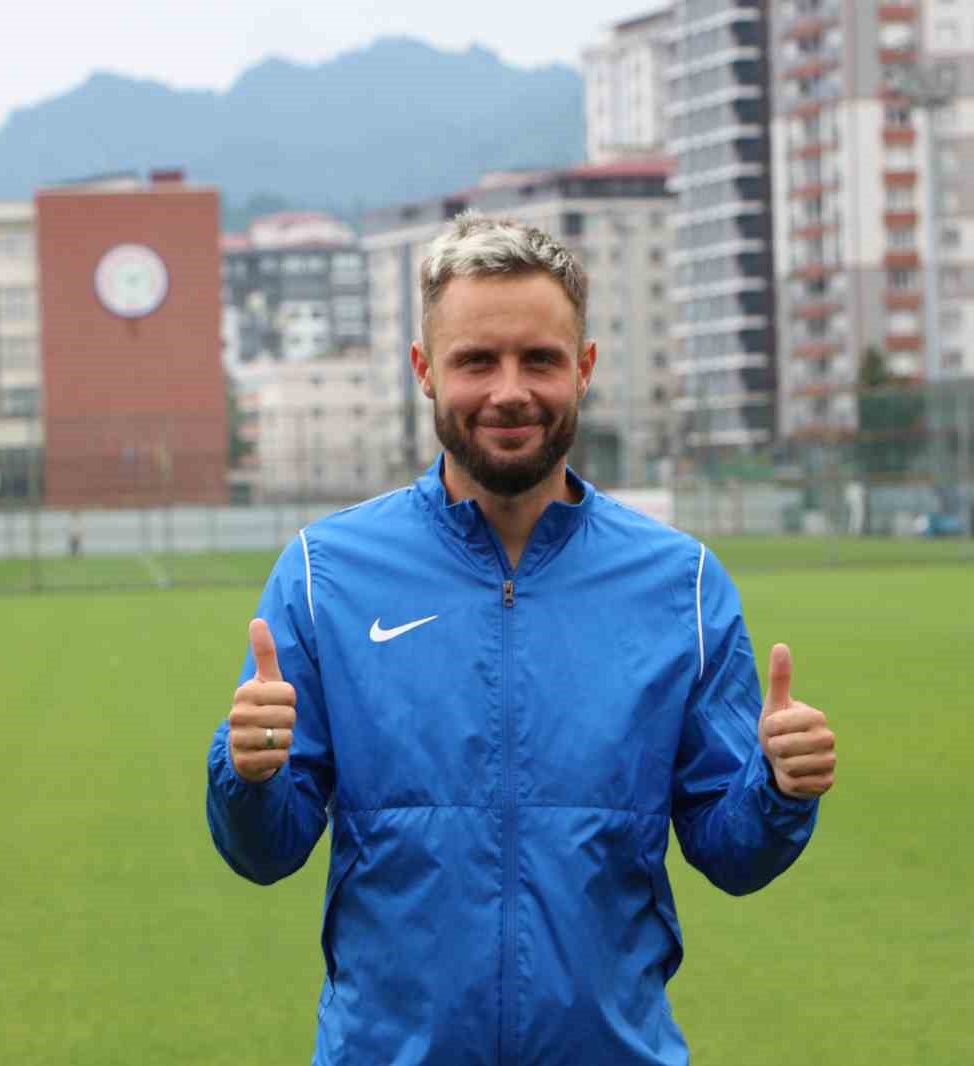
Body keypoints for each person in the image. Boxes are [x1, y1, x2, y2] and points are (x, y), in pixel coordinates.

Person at [206, 214, 837, 1065]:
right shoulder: (326, 573)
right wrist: (248, 775)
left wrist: (781, 789)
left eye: (539, 359)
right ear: (424, 370)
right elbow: (265, 851)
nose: (510, 391)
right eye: (477, 361)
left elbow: (733, 854)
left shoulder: (680, 583)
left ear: (584, 368)